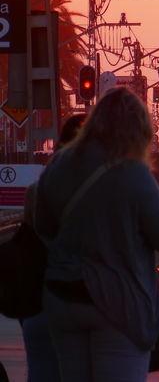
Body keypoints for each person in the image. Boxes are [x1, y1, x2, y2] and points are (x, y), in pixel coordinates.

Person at [34, 88, 159, 382]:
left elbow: (43, 225)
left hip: (64, 296)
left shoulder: (59, 164)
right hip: (118, 303)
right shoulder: (133, 172)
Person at [19, 113, 87, 382]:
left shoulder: (36, 190)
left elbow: (28, 242)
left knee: (42, 370)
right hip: (85, 303)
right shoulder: (104, 192)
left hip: (38, 300)